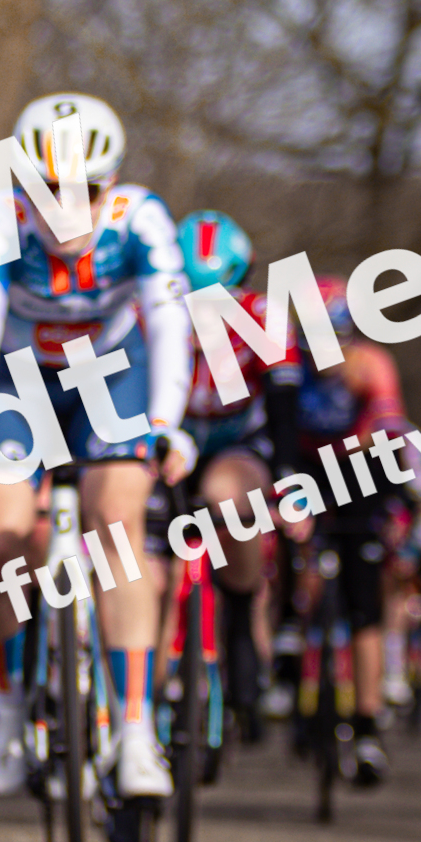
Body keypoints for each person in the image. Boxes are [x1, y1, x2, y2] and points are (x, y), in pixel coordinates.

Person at [0, 93, 193, 827]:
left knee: (116, 529)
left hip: (113, 374)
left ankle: (134, 730)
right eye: (46, 191)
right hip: (16, 380)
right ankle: (4, 697)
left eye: (82, 193)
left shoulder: (143, 221)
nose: (64, 211)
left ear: (110, 185)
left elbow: (172, 327)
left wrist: (165, 426)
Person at [264, 275, 408, 787]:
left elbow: (391, 436)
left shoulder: (372, 365)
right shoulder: (286, 364)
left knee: (363, 604)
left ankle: (367, 728)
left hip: (360, 469)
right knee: (278, 531)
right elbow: (277, 432)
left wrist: (394, 509)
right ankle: (285, 633)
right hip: (304, 466)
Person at [176, 209, 274, 738]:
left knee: (226, 497)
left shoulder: (262, 315)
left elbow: (282, 396)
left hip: (234, 443)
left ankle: (239, 620)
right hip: (172, 442)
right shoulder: (150, 315)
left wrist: (282, 478)